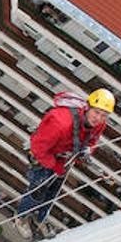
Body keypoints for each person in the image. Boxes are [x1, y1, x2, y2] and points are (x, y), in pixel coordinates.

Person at [21, 88, 115, 232]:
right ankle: (21, 218)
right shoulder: (61, 122)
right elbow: (38, 148)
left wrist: (88, 150)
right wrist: (53, 164)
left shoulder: (100, 124)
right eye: (96, 112)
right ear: (87, 107)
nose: (98, 118)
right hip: (45, 156)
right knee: (38, 190)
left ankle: (39, 219)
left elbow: (92, 140)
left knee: (52, 193)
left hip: (65, 158)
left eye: (103, 115)